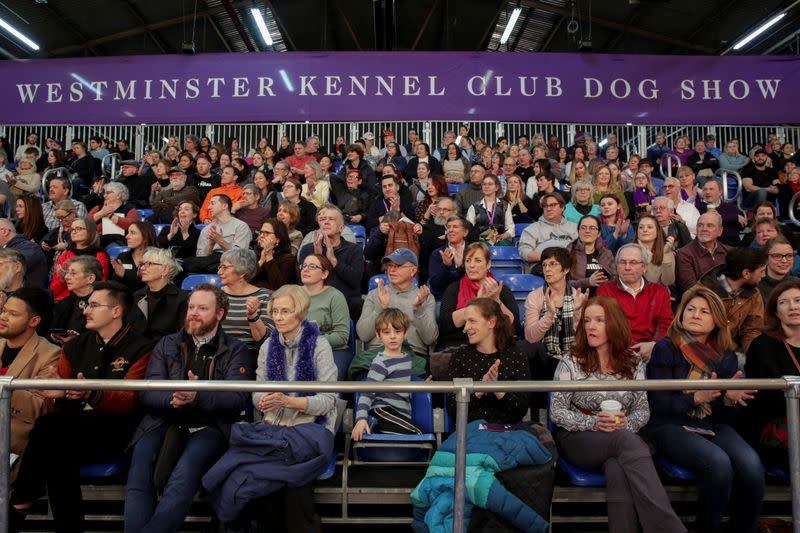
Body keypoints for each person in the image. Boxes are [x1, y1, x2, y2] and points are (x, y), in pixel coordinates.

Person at [10, 282, 154, 533]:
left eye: (94, 305)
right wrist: (56, 397)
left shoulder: (142, 347)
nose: (86, 310)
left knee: (48, 433)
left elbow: (129, 401)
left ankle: (20, 504)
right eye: (87, 305)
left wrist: (91, 393)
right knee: (55, 450)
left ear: (116, 311)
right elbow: (58, 407)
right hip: (68, 430)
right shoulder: (75, 346)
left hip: (116, 430)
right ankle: (29, 509)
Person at [551, 296, 686, 533]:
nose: (591, 326)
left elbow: (642, 409)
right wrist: (594, 422)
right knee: (625, 442)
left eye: (600, 321)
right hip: (578, 439)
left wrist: (627, 423)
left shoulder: (633, 362)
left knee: (617, 468)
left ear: (615, 324)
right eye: (587, 321)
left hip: (621, 439)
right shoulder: (571, 361)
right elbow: (557, 412)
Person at [124, 284, 252, 533]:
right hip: (163, 419)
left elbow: (236, 399)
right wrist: (174, 399)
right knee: (139, 472)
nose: (193, 313)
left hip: (211, 425)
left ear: (219, 314)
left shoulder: (236, 349)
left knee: (183, 476)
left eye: (203, 308)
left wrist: (197, 397)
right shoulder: (166, 344)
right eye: (191, 307)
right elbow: (149, 393)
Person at [211, 285, 337, 532]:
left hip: (309, 430)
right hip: (273, 430)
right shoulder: (268, 346)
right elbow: (257, 393)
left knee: (285, 482)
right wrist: (264, 400)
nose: (278, 317)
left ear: (299, 313)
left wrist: (288, 401)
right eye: (275, 311)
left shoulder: (320, 345)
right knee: (257, 478)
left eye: (285, 311)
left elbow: (328, 401)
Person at [645, 286, 763, 533]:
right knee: (718, 462)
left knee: (751, 465)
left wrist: (729, 400)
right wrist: (695, 398)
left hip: (709, 425)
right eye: (690, 309)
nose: (695, 315)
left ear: (717, 320)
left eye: (704, 311)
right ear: (681, 313)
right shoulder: (666, 348)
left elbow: (722, 415)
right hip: (669, 425)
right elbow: (658, 404)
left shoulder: (726, 355)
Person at [0, 288, 61, 479]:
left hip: (17, 429)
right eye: (3, 310)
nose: (3, 317)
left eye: (13, 314)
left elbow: (41, 407)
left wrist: (5, 389)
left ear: (34, 321)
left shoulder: (50, 353)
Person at [744, 280, 800, 471]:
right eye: (784, 302)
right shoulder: (763, 345)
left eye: (798, 300)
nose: (793, 307)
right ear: (775, 312)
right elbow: (766, 400)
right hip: (775, 428)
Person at [446, 297, 529, 422]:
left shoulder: (516, 355)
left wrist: (497, 390)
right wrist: (480, 390)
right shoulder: (460, 357)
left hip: (508, 433)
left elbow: (521, 409)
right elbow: (452, 410)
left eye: (472, 321)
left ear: (491, 322)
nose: (466, 327)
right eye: (466, 322)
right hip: (470, 434)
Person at [353, 308, 422, 441]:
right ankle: (374, 425)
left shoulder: (406, 358)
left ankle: (378, 430)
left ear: (405, 333)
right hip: (383, 411)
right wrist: (361, 419)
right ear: (378, 335)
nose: (392, 336)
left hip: (400, 414)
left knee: (418, 435)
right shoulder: (380, 362)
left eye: (397, 331)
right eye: (386, 332)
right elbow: (367, 391)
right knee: (418, 434)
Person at [525, 247, 588, 388]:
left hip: (574, 358)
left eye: (553, 264)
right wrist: (549, 315)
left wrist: (578, 314)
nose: (547, 269)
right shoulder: (535, 297)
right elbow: (530, 337)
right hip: (544, 361)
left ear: (565, 270)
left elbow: (585, 339)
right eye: (544, 265)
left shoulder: (578, 297)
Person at [597, 243, 673, 361]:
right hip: (617, 352)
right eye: (622, 262)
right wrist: (628, 350)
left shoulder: (659, 292)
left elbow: (666, 324)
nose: (627, 267)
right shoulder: (605, 291)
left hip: (652, 351)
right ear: (616, 266)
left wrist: (654, 345)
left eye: (633, 262)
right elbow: (605, 326)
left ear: (644, 267)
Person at [357, 248, 438, 358]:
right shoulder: (374, 294)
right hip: (377, 353)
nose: (392, 270)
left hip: (412, 354)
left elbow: (430, 338)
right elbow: (363, 335)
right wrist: (381, 308)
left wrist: (418, 310)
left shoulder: (424, 297)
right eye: (390, 266)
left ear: (413, 271)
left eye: (398, 266)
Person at [437, 242, 518, 350]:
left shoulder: (501, 290)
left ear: (488, 264)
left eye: (478, 260)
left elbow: (513, 326)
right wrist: (477, 302)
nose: (471, 265)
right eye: (468, 261)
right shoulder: (454, 288)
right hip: (459, 345)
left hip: (494, 345)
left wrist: (496, 300)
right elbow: (445, 325)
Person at [298, 205, 365, 319]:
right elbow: (302, 281)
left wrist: (334, 262)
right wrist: (318, 258)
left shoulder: (354, 249)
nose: (326, 222)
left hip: (345, 302)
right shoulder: (308, 249)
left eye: (331, 219)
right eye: (323, 219)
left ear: (341, 228)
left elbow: (355, 281)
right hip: (314, 301)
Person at [698, 247, 766, 352]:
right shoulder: (704, 292)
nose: (764, 275)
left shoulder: (754, 294)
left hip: (733, 351)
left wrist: (754, 353)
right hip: (703, 349)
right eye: (761, 271)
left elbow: (752, 330)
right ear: (746, 273)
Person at [217, 248, 273, 360]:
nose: (219, 272)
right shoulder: (214, 295)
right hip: (217, 353)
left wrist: (253, 317)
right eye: (220, 267)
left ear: (241, 272)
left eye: (225, 267)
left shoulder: (265, 296)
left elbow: (266, 341)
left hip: (248, 355)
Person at [131, 247, 188, 340]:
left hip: (167, 351)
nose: (142, 268)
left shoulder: (182, 299)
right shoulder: (137, 296)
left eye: (148, 264)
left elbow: (182, 337)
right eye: (142, 264)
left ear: (165, 269)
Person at [188, 194, 252, 274]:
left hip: (231, 261)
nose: (209, 207)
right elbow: (200, 258)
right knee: (185, 263)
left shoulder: (241, 226)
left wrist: (220, 241)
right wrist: (210, 245)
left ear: (224, 206)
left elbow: (240, 256)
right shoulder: (207, 229)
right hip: (209, 260)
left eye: (212, 203)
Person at [49, 217, 110, 301]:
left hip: (89, 299)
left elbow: (101, 285)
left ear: (90, 232)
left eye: (78, 229)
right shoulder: (65, 255)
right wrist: (62, 279)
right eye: (72, 229)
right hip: (64, 300)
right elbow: (54, 290)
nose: (74, 232)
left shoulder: (99, 255)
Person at [51, 256, 104, 344]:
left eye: (73, 273)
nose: (67, 277)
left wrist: (78, 340)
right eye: (67, 273)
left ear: (90, 278)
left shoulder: (103, 303)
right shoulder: (65, 303)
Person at [518, 192, 578, 270]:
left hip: (571, 266)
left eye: (553, 205)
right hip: (543, 267)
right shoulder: (533, 228)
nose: (548, 209)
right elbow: (524, 252)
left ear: (562, 207)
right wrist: (547, 258)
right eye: (545, 206)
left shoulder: (574, 227)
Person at [675, 211, 732, 293]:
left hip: (729, 300)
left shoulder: (729, 252)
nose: (704, 229)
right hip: (700, 302)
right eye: (700, 225)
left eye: (710, 225)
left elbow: (736, 283)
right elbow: (691, 289)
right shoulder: (684, 254)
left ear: (720, 231)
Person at [428, 214, 471, 299]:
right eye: (448, 227)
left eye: (455, 227)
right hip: (444, 299)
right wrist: (445, 266)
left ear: (465, 232)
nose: (450, 230)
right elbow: (435, 287)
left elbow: (477, 280)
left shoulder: (473, 252)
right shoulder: (438, 253)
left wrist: (461, 267)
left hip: (469, 297)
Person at [568, 214, 616, 291]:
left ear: (599, 233)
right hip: (577, 297)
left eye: (592, 228)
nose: (587, 231)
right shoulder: (568, 252)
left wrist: (606, 285)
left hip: (603, 297)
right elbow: (562, 283)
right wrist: (588, 282)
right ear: (578, 231)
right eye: (583, 228)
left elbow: (615, 278)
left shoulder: (606, 254)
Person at [0, 219, 48, 290]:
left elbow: (12, 266)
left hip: (29, 297)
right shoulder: (9, 248)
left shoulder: (30, 248)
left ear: (4, 231)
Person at [467, 173, 514, 245]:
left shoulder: (504, 205)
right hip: (480, 240)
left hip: (500, 239)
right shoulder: (474, 207)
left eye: (490, 184)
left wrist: (504, 235)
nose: (486, 186)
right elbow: (468, 229)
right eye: (484, 184)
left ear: (496, 187)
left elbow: (510, 228)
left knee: (503, 244)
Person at [88, 182, 140, 247]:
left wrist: (111, 216)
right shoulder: (98, 208)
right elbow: (85, 223)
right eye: (104, 193)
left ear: (118, 195)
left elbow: (132, 224)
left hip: (119, 241)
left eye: (108, 193)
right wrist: (101, 213)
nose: (104, 195)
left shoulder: (129, 209)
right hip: (98, 240)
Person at [111, 221, 157, 293]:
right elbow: (114, 285)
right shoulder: (123, 256)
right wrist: (119, 276)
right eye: (128, 233)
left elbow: (152, 287)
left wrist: (125, 275)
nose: (127, 237)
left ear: (145, 238)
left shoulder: (155, 259)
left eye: (132, 233)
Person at [694, 178, 744, 246]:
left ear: (720, 192)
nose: (707, 192)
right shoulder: (698, 207)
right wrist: (734, 218)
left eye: (711, 189)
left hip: (733, 244)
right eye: (705, 189)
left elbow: (742, 225)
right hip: (711, 244)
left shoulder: (731, 207)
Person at [634, 214, 675, 287]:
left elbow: (668, 282)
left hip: (659, 295)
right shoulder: (628, 252)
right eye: (641, 227)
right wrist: (647, 260)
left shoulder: (666, 251)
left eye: (650, 227)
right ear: (637, 232)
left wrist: (665, 255)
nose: (645, 230)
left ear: (657, 232)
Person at [758, 236, 800, 301]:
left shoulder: (798, 283)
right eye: (777, 256)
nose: (784, 261)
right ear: (766, 259)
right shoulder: (755, 286)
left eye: (789, 256)